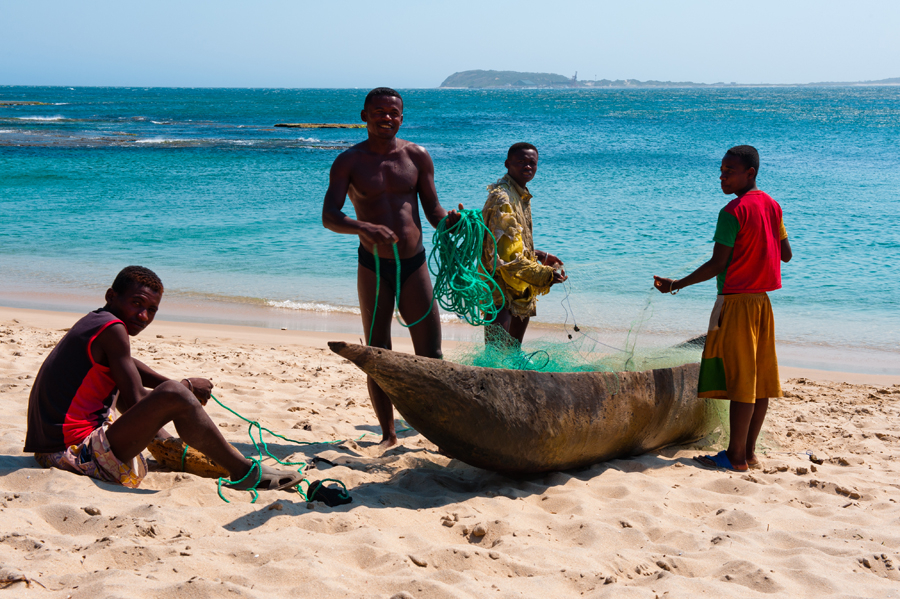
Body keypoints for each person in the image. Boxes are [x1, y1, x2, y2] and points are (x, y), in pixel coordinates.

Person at [24, 266, 303, 491]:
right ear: (112, 295)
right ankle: (244, 473)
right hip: (73, 454)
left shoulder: (96, 321)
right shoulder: (114, 329)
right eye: (136, 303)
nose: (143, 316)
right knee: (173, 393)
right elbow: (135, 403)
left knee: (153, 388)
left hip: (50, 447)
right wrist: (185, 389)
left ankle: (168, 445)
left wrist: (171, 386)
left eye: (152, 310)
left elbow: (127, 366)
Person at [322, 87, 459, 448]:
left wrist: (452, 222)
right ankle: (388, 434)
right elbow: (329, 217)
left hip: (414, 264)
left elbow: (433, 212)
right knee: (378, 351)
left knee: (431, 354)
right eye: (379, 111)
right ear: (364, 115)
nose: (387, 117)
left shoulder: (417, 156)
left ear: (402, 117)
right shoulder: (348, 161)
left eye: (393, 112)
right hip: (373, 266)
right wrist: (362, 226)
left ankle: (438, 430)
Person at [653, 145, 792, 472]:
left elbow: (718, 263)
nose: (722, 175)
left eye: (730, 170)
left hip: (735, 302)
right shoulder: (773, 206)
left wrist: (676, 285)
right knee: (758, 380)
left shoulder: (732, 212)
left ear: (750, 173)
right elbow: (786, 254)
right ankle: (749, 452)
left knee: (742, 381)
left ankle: (735, 457)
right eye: (722, 169)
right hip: (762, 303)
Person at [481, 142, 567, 345]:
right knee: (496, 355)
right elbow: (506, 258)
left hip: (520, 283)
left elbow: (512, 241)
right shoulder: (502, 198)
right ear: (507, 164)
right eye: (521, 162)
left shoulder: (520, 194)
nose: (527, 166)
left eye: (532, 163)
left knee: (513, 352)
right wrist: (544, 275)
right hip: (500, 284)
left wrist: (539, 255)